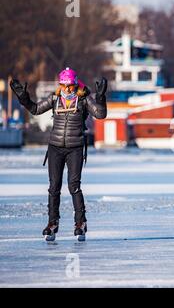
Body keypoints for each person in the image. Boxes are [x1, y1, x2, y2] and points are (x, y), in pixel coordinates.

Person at [10, 68, 108, 241]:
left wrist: (100, 97)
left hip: (75, 148)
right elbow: (35, 109)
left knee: (73, 186)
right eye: (64, 85)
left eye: (70, 86)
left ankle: (80, 223)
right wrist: (23, 98)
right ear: (60, 85)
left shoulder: (83, 99)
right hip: (55, 148)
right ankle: (52, 223)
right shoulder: (55, 98)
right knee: (54, 187)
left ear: (75, 84)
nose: (67, 89)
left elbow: (100, 114)